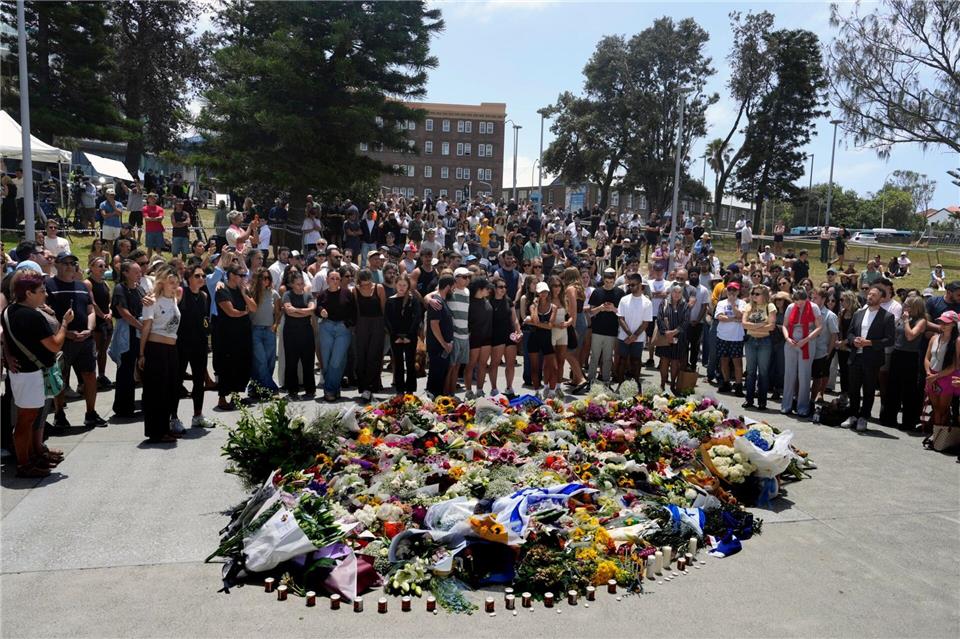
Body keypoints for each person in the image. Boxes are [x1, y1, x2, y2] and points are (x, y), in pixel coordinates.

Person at [2, 271, 72, 477]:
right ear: (28, 293)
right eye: (41, 291)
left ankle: (32, 456)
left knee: (29, 418)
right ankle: (24, 464)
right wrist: (65, 323)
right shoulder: (32, 316)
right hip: (30, 374)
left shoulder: (9, 311)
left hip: (25, 373)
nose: (45, 294)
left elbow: (6, 338)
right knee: (26, 420)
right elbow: (55, 345)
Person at [46, 253, 108, 428]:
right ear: (56, 265)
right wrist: (67, 332)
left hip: (85, 339)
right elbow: (47, 313)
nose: (69, 266)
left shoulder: (81, 286)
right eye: (64, 263)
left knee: (89, 375)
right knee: (61, 377)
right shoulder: (49, 286)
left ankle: (91, 413)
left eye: (72, 263)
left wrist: (89, 329)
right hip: (62, 339)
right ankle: (59, 414)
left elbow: (90, 310)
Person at [843, 284, 895, 432]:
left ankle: (863, 417)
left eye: (874, 295)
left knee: (868, 389)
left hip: (872, 359)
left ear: (882, 298)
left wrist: (870, 343)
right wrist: (854, 340)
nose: (870, 296)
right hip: (855, 356)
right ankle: (852, 415)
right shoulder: (859, 313)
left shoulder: (887, 316)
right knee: (853, 388)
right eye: (869, 294)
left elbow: (890, 340)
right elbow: (850, 333)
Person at [139, 264, 182, 442]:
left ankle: (165, 427)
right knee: (156, 392)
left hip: (172, 349)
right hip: (156, 349)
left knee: (170, 389)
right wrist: (141, 353)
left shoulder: (174, 299)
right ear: (162, 283)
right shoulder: (152, 301)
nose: (174, 286)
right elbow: (146, 327)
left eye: (176, 282)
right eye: (171, 282)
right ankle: (156, 431)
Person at [214, 263, 256, 410]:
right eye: (241, 275)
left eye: (245, 275)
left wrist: (244, 294)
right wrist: (244, 313)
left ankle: (236, 396)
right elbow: (230, 312)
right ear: (231, 275)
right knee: (227, 365)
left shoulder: (243, 289)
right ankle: (222, 398)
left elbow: (253, 307)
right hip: (228, 335)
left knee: (242, 363)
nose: (244, 278)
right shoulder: (222, 290)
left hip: (243, 333)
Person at [882, 294, 927, 430]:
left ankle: (908, 421)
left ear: (915, 307)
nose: (904, 307)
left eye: (907, 305)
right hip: (898, 353)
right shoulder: (904, 318)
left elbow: (911, 335)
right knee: (893, 385)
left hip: (911, 356)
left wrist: (906, 321)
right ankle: (889, 418)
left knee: (909, 389)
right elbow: (897, 333)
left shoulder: (921, 320)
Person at [177, 263, 212, 428]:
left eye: (203, 276)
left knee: (199, 381)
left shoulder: (204, 296)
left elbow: (205, 320)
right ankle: (173, 418)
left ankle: (197, 416)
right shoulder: (181, 292)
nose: (201, 278)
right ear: (188, 278)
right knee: (176, 381)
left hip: (200, 344)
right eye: (197, 276)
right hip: (182, 344)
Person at [110, 260, 145, 417]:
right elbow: (123, 311)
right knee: (126, 369)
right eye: (136, 272)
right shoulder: (120, 289)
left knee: (143, 367)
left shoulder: (139, 289)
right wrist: (139, 326)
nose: (139, 274)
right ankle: (123, 406)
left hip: (140, 332)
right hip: (128, 332)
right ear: (125, 273)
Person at [781, 288, 822, 417]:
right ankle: (786, 405)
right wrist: (787, 338)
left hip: (807, 342)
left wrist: (807, 339)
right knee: (789, 374)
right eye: (797, 302)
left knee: (804, 375)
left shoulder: (814, 307)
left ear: (806, 299)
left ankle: (803, 407)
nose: (799, 304)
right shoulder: (791, 307)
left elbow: (820, 327)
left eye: (802, 302)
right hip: (791, 342)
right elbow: (784, 325)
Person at [316, 268, 355, 402]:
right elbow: (317, 308)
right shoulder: (322, 295)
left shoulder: (347, 293)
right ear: (327, 280)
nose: (335, 281)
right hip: (326, 327)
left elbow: (354, 311)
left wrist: (348, 324)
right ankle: (334, 388)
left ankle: (329, 390)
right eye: (332, 278)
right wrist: (321, 311)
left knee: (337, 360)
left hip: (342, 328)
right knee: (326, 361)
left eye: (337, 278)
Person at [385, 273, 422, 395]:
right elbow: (387, 320)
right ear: (396, 285)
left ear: (408, 286)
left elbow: (417, 318)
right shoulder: (390, 301)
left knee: (410, 363)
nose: (401, 287)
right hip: (395, 337)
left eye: (404, 285)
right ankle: (400, 389)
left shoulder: (413, 300)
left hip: (409, 337)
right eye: (399, 285)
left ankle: (410, 389)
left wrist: (408, 336)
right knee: (398, 363)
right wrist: (395, 336)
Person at [281, 271, 316, 399]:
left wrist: (296, 310)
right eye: (298, 284)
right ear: (291, 284)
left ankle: (310, 390)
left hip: (306, 332)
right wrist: (303, 312)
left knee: (308, 362)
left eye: (302, 283)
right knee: (291, 362)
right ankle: (292, 390)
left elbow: (312, 310)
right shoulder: (287, 295)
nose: (301, 286)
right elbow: (289, 313)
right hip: (291, 333)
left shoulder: (308, 296)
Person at [741, 285, 777, 409]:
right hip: (751, 341)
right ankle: (749, 399)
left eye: (757, 294)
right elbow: (744, 324)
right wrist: (761, 325)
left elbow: (771, 326)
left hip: (765, 342)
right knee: (750, 372)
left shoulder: (770, 306)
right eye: (753, 293)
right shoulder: (749, 306)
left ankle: (762, 401)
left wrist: (754, 326)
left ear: (764, 295)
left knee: (763, 372)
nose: (754, 296)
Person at [924, 312, 958, 437]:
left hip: (946, 377)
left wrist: (936, 376)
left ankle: (939, 437)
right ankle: (936, 436)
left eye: (946, 323)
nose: (942, 325)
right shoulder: (934, 338)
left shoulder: (956, 341)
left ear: (954, 325)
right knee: (936, 407)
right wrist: (929, 373)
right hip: (931, 375)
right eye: (941, 322)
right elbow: (927, 358)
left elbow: (954, 365)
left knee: (943, 409)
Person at [354, 269, 386, 402]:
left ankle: (371, 387)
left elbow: (383, 308)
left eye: (368, 284)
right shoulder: (355, 290)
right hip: (362, 325)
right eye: (363, 284)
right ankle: (363, 387)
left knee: (374, 355)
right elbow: (356, 309)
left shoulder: (379, 288)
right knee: (361, 356)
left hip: (377, 324)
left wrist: (385, 326)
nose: (366, 287)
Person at [587, 268, 623, 385]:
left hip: (611, 330)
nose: (608, 284)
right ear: (603, 280)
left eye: (611, 282)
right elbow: (591, 312)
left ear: (614, 281)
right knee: (594, 357)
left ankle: (606, 381)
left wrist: (613, 309)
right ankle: (590, 380)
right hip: (597, 329)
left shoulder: (619, 293)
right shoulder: (597, 292)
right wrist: (601, 308)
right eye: (606, 282)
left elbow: (622, 313)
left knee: (608, 358)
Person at [249, 267, 281, 398]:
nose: (265, 280)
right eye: (262, 278)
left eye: (268, 278)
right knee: (260, 360)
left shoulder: (274, 293)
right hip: (255, 330)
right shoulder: (251, 293)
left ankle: (255, 387)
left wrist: (275, 325)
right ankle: (271, 388)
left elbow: (278, 312)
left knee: (270, 361)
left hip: (269, 330)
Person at [524, 281, 559, 397]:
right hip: (534, 338)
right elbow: (536, 320)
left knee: (553, 367)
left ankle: (552, 392)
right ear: (537, 293)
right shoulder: (533, 306)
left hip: (546, 339)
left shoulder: (553, 307)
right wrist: (535, 307)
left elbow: (550, 325)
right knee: (534, 368)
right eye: (541, 292)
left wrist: (533, 322)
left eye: (545, 291)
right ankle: (537, 392)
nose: (543, 294)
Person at [489, 275, 521, 398]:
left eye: (505, 287)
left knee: (510, 363)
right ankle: (494, 389)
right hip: (496, 335)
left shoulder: (508, 300)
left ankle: (509, 387)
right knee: (495, 363)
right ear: (494, 288)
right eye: (500, 287)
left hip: (510, 334)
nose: (503, 289)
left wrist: (519, 332)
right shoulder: (489, 301)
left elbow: (515, 319)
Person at [85, 256, 113, 389]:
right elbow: (92, 302)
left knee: (103, 350)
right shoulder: (88, 283)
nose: (103, 269)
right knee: (95, 350)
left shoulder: (105, 283)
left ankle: (102, 375)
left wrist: (110, 314)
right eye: (100, 266)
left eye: (104, 266)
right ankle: (91, 377)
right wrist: (102, 316)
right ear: (91, 268)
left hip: (107, 320)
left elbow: (109, 301)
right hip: (97, 321)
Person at [425, 275, 455, 399]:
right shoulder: (437, 302)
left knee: (441, 376)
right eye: (453, 288)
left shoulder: (441, 300)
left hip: (444, 347)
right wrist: (444, 344)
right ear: (448, 286)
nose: (453, 290)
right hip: (438, 347)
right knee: (435, 377)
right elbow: (434, 325)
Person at [715, 282, 747, 396]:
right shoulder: (721, 303)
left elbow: (741, 316)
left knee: (737, 362)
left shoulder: (742, 303)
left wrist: (733, 305)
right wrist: (734, 318)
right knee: (724, 361)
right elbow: (720, 317)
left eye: (734, 290)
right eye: (730, 290)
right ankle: (726, 382)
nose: (732, 292)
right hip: (722, 336)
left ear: (738, 292)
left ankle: (738, 385)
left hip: (736, 337)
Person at [656, 284, 690, 392]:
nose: (677, 294)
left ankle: (672, 385)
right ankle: (662, 384)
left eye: (679, 292)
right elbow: (659, 318)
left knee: (675, 362)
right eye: (675, 291)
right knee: (664, 361)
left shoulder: (685, 305)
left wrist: (674, 332)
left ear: (682, 294)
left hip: (679, 338)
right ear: (671, 292)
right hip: (665, 336)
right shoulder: (664, 303)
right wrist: (666, 332)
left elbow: (686, 321)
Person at [464, 278, 493, 399]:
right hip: (474, 337)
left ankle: (480, 390)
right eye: (487, 288)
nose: (489, 290)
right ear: (479, 290)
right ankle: (469, 391)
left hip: (487, 337)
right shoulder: (469, 302)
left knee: (483, 365)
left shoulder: (487, 300)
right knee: (471, 365)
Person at [810, 289, 839, 404]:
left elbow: (833, 335)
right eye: (811, 298)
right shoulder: (810, 312)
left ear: (823, 299)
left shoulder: (830, 316)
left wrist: (828, 352)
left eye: (815, 298)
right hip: (808, 349)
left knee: (817, 377)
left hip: (821, 351)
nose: (812, 300)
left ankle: (812, 401)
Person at [142, 193, 166, 260]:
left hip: (159, 230)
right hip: (149, 231)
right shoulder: (145, 208)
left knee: (159, 248)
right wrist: (156, 219)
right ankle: (148, 262)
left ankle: (159, 262)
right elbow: (146, 219)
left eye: (155, 198)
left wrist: (151, 219)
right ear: (148, 199)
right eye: (151, 198)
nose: (153, 199)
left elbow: (161, 218)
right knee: (149, 248)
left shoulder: (160, 208)